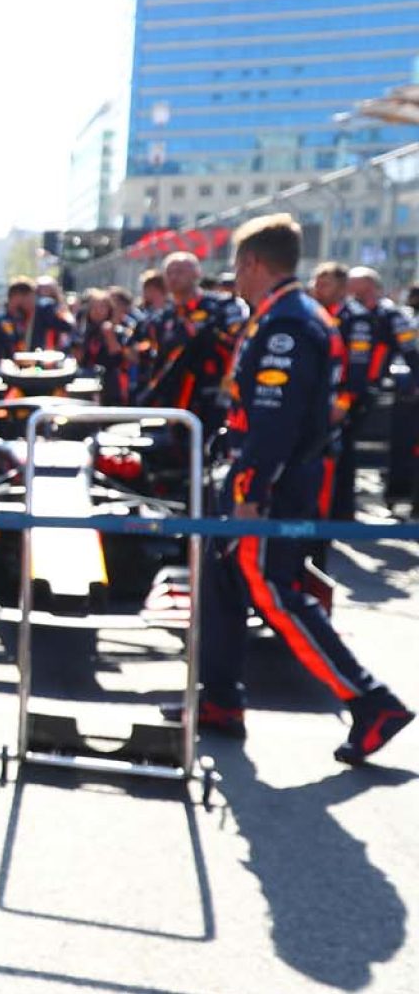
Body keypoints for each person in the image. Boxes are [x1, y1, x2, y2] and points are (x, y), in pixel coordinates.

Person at [191, 214, 411, 763]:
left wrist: (249, 492)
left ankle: (370, 700)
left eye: (237, 268)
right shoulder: (283, 315)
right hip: (258, 477)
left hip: (271, 487)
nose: (234, 279)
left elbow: (275, 423)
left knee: (274, 590)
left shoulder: (287, 323)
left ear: (252, 264)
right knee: (221, 581)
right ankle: (219, 700)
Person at [331, 266, 419, 521]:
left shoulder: (392, 316)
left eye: (354, 286)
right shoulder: (344, 313)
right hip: (340, 389)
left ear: (368, 287)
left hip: (365, 392)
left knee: (347, 449)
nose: (349, 291)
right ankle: (339, 506)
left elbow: (411, 351)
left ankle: (346, 508)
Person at [137, 250, 244, 432]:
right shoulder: (161, 318)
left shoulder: (222, 307)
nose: (174, 277)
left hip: (211, 399)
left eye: (180, 271)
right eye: (169, 272)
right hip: (171, 403)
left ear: (197, 273)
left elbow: (236, 346)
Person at [0, 278, 33, 364]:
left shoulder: (22, 319)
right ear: (17, 297)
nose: (31, 302)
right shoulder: (2, 322)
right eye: (29, 298)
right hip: (4, 371)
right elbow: (9, 350)